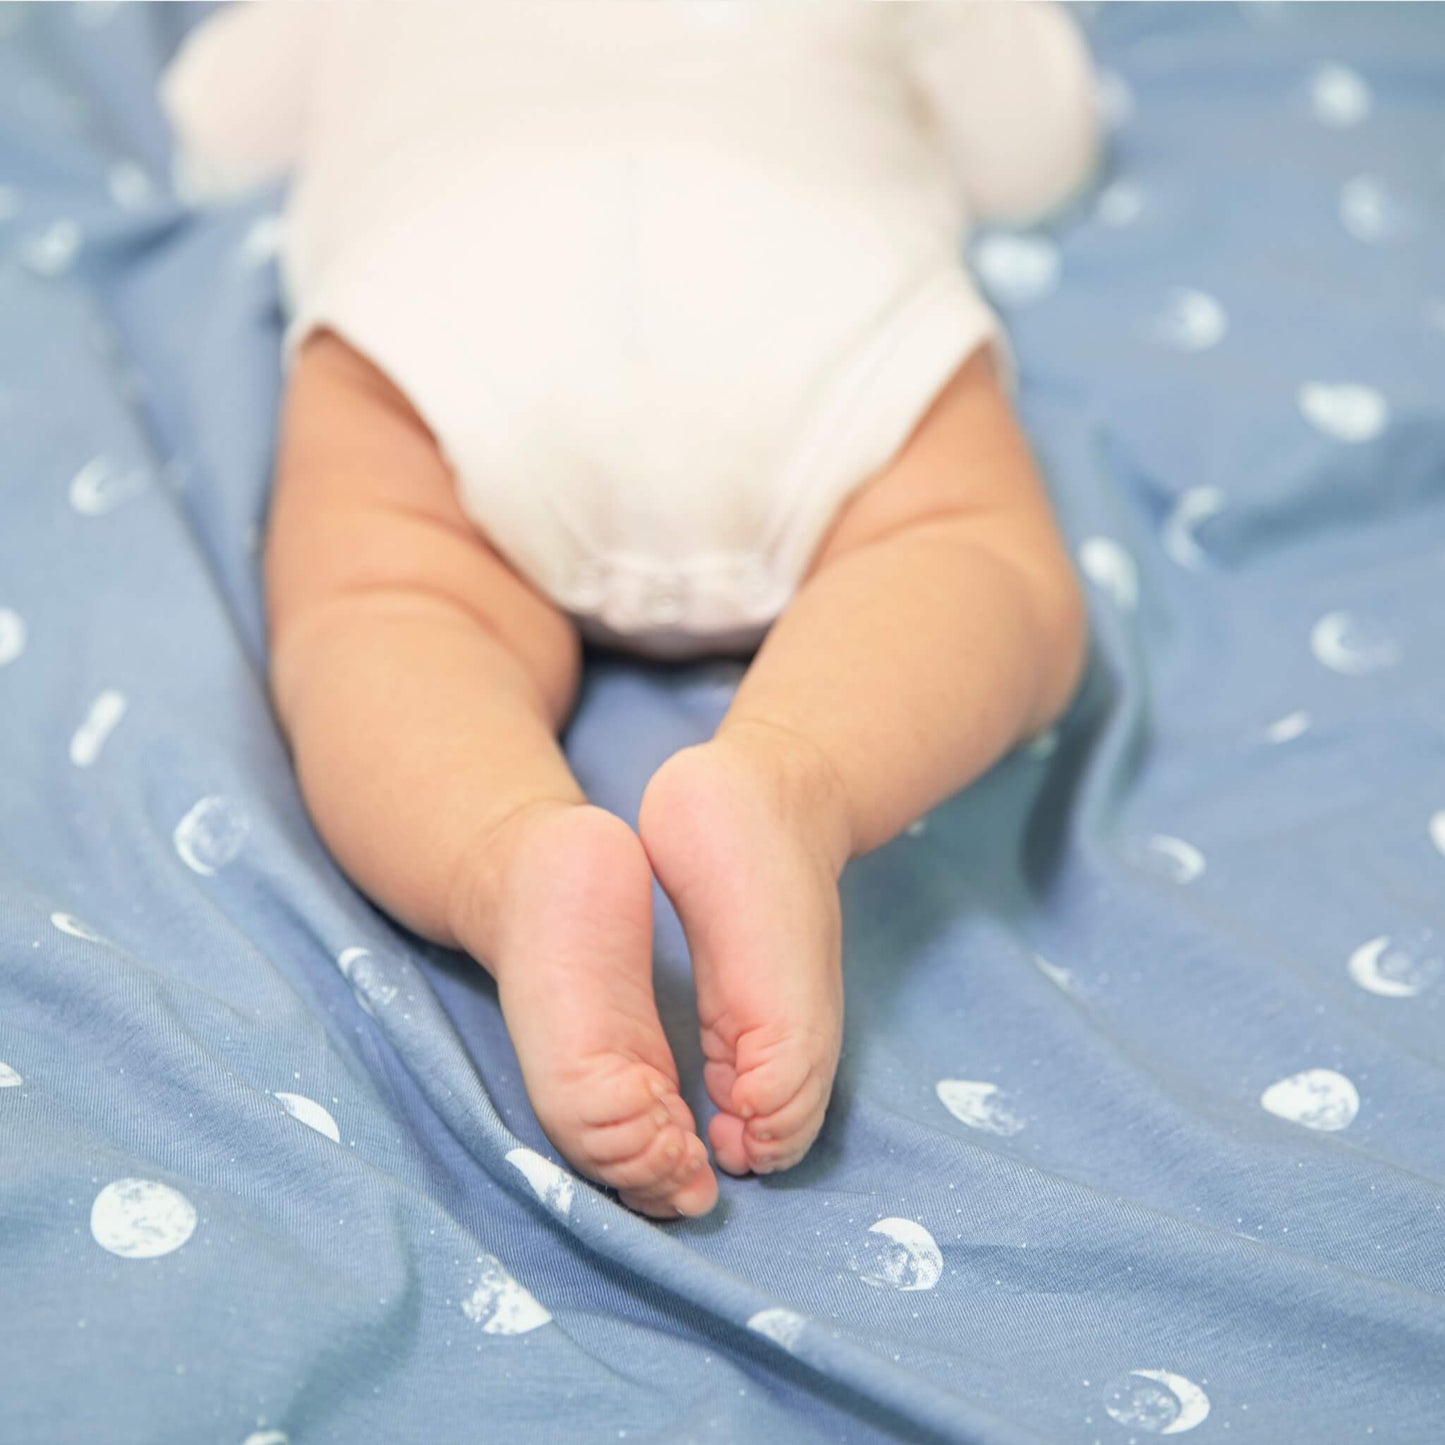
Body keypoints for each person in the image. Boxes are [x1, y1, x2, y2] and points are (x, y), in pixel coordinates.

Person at [162, 2, 1100, 1219]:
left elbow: (216, 128)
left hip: (452, 295)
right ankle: (793, 778)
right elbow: (1036, 149)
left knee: (384, 607)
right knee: (968, 555)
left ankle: (509, 856)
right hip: (805, 280)